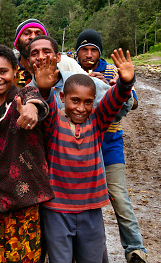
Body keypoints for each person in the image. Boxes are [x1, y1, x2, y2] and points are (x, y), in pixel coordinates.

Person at [28, 38, 136, 262]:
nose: (81, 108)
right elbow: (45, 106)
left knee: (92, 257)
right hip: (57, 210)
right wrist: (44, 87)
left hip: (91, 208)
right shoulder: (54, 123)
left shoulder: (97, 122)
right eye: (74, 100)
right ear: (62, 98)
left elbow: (114, 101)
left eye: (88, 102)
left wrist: (125, 83)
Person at [0, 44, 54, 262]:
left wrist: (32, 109)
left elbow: (37, 102)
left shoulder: (24, 96)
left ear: (15, 71)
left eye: (3, 71)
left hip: (21, 204)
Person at [76, 29, 147, 263]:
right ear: (77, 53)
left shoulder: (112, 69)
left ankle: (136, 250)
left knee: (118, 196)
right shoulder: (71, 71)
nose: (88, 55)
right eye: (84, 50)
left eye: (93, 50)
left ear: (100, 52)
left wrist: (116, 89)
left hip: (110, 145)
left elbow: (133, 103)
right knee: (78, 201)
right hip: (78, 147)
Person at [13, 18, 87, 88]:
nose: (32, 37)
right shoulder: (10, 69)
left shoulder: (66, 63)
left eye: (38, 34)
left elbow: (89, 85)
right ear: (17, 43)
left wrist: (96, 80)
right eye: (26, 33)